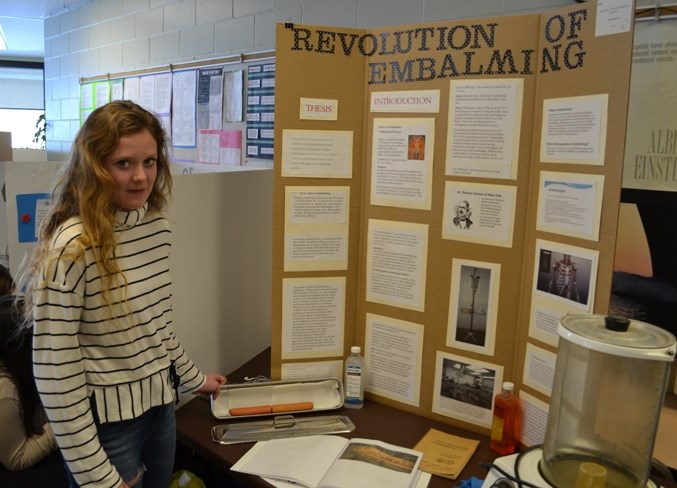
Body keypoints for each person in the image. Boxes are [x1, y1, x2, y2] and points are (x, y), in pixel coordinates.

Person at [19, 100, 227, 488]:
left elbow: (157, 326)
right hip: (105, 428)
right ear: (95, 167)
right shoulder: (73, 245)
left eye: (149, 162)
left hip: (161, 409)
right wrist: (96, 477)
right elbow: (55, 372)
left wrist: (194, 379)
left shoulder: (157, 227)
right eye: (124, 164)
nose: (140, 178)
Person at [0, 295, 68, 487]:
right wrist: (63, 426)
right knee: (65, 471)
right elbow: (17, 458)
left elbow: (30, 416)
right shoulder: (4, 388)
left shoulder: (13, 370)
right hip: (10, 462)